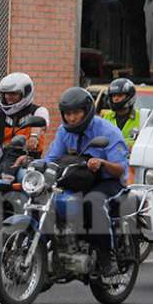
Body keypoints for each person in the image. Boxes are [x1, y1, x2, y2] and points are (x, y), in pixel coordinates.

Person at [43, 87, 129, 277]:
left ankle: (108, 257)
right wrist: (33, 164)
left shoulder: (108, 131)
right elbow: (51, 158)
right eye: (67, 114)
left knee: (93, 201)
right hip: (78, 178)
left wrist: (102, 163)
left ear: (87, 110)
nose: (71, 118)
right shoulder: (63, 131)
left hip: (108, 180)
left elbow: (120, 169)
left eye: (76, 113)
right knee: (47, 199)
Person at [102, 78, 139, 148]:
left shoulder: (141, 117)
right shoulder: (107, 116)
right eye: (113, 96)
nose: (116, 99)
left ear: (129, 96)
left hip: (132, 157)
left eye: (120, 95)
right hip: (109, 157)